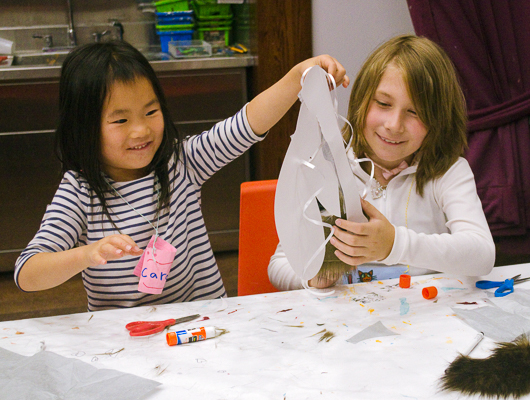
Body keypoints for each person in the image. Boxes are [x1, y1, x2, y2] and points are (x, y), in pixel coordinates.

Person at [14, 40, 349, 311]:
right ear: (83, 127)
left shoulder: (181, 163)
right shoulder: (80, 191)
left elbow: (246, 126)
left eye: (151, 111)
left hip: (206, 318)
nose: (141, 130)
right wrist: (85, 254)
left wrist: (297, 77)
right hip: (128, 338)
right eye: (120, 120)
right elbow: (28, 272)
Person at [268, 34, 495, 291]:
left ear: (438, 120)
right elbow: (279, 264)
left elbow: (482, 255)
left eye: (415, 112)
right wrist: (313, 277)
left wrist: (394, 245)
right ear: (362, 99)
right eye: (384, 103)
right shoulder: (325, 169)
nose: (394, 125)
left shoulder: (449, 173)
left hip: (428, 319)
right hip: (347, 320)